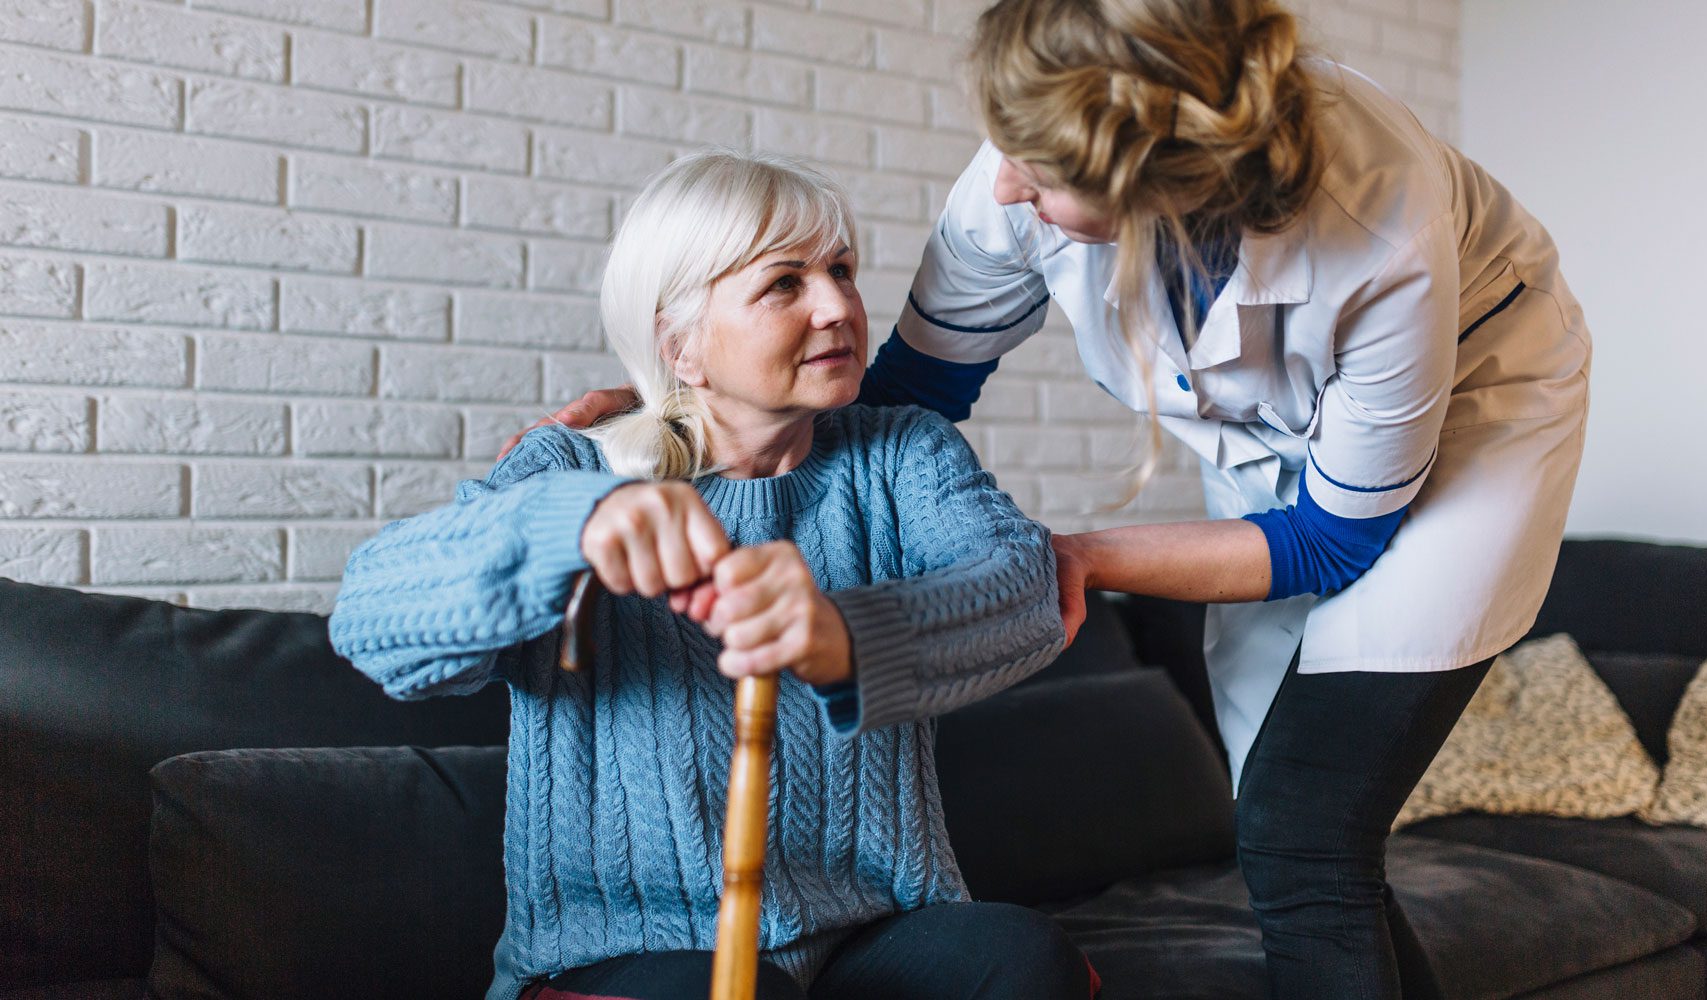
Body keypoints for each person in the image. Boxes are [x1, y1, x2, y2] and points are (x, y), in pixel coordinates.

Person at [518, 2, 1592, 997]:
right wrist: (670, 419)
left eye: (1035, 173)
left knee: (1301, 822)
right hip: (1287, 454)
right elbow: (910, 396)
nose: (1000, 186)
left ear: (1156, 178)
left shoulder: (1380, 229)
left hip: (1474, 408)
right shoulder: (1026, 159)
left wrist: (1080, 554)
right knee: (1301, 830)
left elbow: (1329, 535)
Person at [330, 151, 1095, 1000]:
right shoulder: (573, 466)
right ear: (679, 344)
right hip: (628, 946)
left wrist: (842, 634)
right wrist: (567, 526)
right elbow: (371, 621)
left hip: (872, 932)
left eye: (840, 270)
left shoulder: (901, 452)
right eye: (785, 284)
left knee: (1022, 960)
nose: (839, 305)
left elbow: (1026, 589)